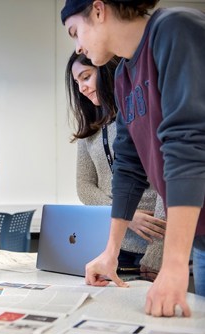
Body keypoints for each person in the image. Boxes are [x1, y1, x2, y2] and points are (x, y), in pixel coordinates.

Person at [61, 0, 205, 317]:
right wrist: (110, 252)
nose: (79, 46)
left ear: (98, 11)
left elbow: (189, 146)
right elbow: (128, 168)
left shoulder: (172, 28)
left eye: (75, 32)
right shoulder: (125, 76)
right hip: (200, 235)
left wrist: (173, 263)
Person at [65, 51, 166, 277]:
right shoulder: (90, 130)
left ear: (106, 70)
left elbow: (166, 181)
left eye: (86, 76)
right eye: (77, 82)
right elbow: (85, 188)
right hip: (112, 244)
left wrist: (159, 251)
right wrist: (126, 215)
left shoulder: (140, 115)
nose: (81, 88)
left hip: (152, 247)